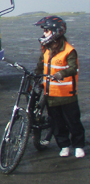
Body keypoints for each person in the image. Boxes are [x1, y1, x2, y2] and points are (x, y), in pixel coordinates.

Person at [33, 16, 85, 158]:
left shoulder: (69, 50)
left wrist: (60, 74)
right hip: (51, 94)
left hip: (67, 94)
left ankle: (79, 145)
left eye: (47, 31)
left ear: (56, 32)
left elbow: (73, 68)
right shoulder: (46, 49)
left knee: (73, 121)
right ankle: (64, 145)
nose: (44, 34)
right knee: (56, 122)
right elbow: (40, 65)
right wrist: (35, 76)